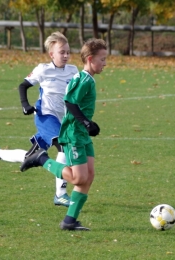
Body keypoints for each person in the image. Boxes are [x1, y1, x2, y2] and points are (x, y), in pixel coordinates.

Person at [20, 38, 107, 231]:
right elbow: (70, 102)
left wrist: (89, 124)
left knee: (89, 176)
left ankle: (69, 221)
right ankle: (41, 159)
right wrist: (86, 122)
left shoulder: (86, 78)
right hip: (73, 134)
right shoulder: (83, 79)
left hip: (82, 133)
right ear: (91, 59)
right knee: (77, 179)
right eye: (102, 59)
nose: (105, 63)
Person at [0, 31, 78, 207]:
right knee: (64, 146)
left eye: (68, 52)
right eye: (62, 52)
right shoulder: (43, 69)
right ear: (51, 54)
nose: (66, 55)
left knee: (30, 157)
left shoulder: (73, 70)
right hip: (45, 116)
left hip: (62, 120)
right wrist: (25, 105)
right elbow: (23, 85)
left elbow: (74, 96)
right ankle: (60, 194)